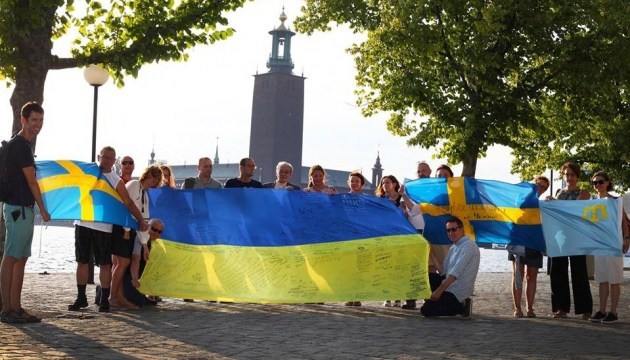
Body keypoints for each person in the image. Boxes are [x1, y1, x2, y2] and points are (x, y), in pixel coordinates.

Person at [68, 146, 148, 313]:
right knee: (81, 261)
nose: (107, 161)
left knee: (105, 264)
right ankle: (81, 298)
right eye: (105, 157)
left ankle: (105, 300)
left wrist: (140, 220)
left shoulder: (115, 180)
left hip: (103, 227)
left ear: (114, 160)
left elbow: (128, 202)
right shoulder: (88, 173)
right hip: (82, 223)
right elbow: (69, 185)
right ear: (99, 157)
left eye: (111, 158)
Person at [0, 102, 51, 324]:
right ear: (23, 120)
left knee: (20, 258)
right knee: (11, 257)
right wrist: (43, 208)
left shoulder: (20, 144)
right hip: (18, 209)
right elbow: (31, 181)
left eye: (41, 120)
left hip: (20, 209)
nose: (38, 124)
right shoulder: (21, 146)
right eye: (34, 120)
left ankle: (16, 308)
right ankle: (8, 309)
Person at [109, 165, 162, 310]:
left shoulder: (145, 195)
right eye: (153, 176)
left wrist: (145, 245)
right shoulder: (133, 184)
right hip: (122, 227)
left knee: (122, 263)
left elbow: (143, 223)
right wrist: (126, 230)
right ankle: (113, 297)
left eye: (157, 179)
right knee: (122, 262)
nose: (154, 181)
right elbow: (125, 206)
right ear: (146, 175)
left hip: (131, 230)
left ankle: (118, 297)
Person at [546, 162, 593, 320]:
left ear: (577, 176)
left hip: (577, 237)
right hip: (560, 237)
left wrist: (555, 203)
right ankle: (561, 308)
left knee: (579, 272)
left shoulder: (584, 193)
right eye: (566, 174)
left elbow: (574, 209)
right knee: (557, 272)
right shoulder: (559, 192)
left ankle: (585, 309)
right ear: (563, 176)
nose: (569, 177)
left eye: (572, 174)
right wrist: (549, 201)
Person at [588, 171, 629, 323]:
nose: (598, 185)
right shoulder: (592, 202)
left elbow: (624, 221)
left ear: (607, 182)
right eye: (595, 182)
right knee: (602, 279)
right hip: (599, 244)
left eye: (600, 181)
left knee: (614, 279)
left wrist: (626, 238)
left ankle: (613, 312)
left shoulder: (616, 201)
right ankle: (602, 310)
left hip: (614, 243)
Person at [420, 216, 480, 318]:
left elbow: (454, 275)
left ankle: (462, 306)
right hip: (448, 286)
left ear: (462, 229)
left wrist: (438, 292)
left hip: (457, 291)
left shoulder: (468, 246)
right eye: (448, 230)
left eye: (454, 229)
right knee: (425, 278)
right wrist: (431, 251)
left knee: (426, 311)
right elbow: (443, 271)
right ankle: (435, 301)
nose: (451, 233)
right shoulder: (454, 247)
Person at [509, 175, 548, 318]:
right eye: (539, 185)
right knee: (517, 274)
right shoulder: (519, 197)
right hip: (517, 240)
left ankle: (530, 308)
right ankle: (517, 308)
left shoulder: (542, 205)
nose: (541, 188)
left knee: (532, 276)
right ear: (534, 184)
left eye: (544, 187)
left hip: (534, 242)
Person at [124, 218, 164, 307]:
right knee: (139, 301)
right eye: (154, 229)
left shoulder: (155, 243)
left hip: (139, 276)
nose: (156, 233)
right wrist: (134, 279)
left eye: (159, 232)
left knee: (144, 302)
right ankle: (101, 290)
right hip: (128, 275)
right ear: (148, 226)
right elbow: (135, 259)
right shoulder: (140, 236)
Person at [345, 172, 366, 307]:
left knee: (360, 267)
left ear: (361, 184)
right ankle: (348, 295)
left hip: (361, 235)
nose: (354, 183)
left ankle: (357, 296)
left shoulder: (367, 199)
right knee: (348, 267)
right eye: (352, 181)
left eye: (356, 181)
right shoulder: (343, 198)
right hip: (347, 235)